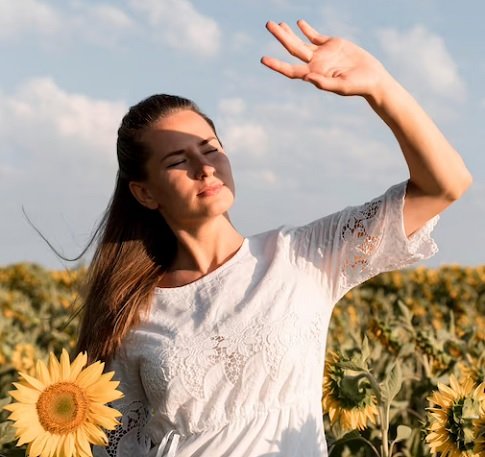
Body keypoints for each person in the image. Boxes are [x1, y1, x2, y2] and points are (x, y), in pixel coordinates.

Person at [84, 19, 473, 457]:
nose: (205, 167)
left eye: (210, 148)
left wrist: (378, 86)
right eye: (179, 160)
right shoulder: (131, 312)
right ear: (145, 192)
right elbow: (114, 447)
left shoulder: (302, 255)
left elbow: (445, 184)